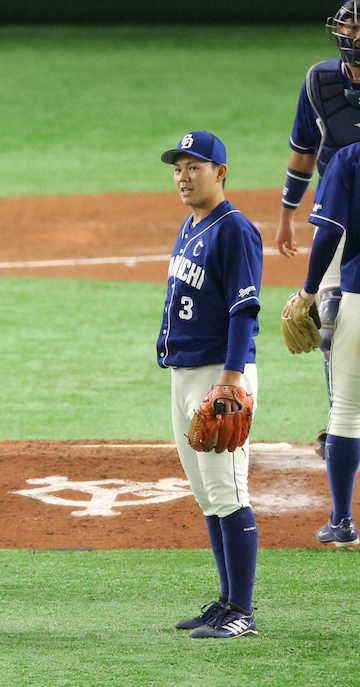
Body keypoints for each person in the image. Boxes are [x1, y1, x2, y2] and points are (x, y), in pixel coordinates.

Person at [157, 131, 263, 639]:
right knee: (207, 495)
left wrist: (230, 381)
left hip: (219, 377)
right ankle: (224, 602)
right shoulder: (191, 225)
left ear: (220, 172)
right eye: (178, 168)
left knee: (229, 490)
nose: (183, 176)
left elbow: (244, 309)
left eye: (194, 167)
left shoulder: (235, 229)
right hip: (186, 375)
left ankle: (242, 613)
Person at [275, 1, 360, 455]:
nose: (354, 33)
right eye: (350, 24)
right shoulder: (318, 81)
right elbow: (304, 150)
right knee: (329, 324)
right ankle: (342, 422)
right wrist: (288, 213)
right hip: (337, 217)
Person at [283, 140, 360, 548]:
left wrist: (310, 292)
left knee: (346, 412)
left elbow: (331, 230)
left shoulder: (349, 158)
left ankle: (342, 522)